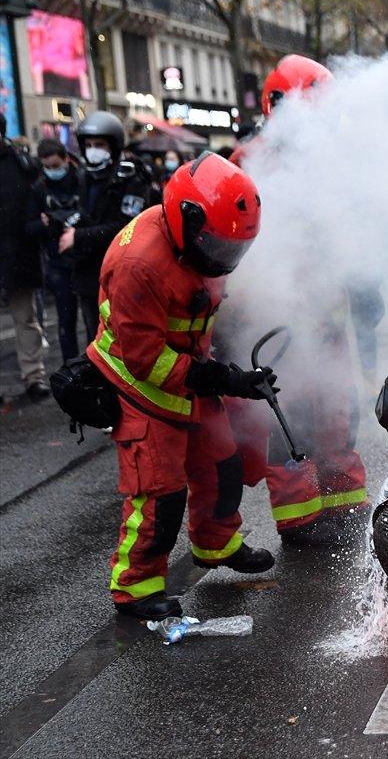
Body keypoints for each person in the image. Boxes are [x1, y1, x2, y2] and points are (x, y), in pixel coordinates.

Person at [88, 152, 277, 619]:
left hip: (187, 365)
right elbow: (146, 358)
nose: (223, 260)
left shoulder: (201, 240)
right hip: (139, 383)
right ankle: (136, 586)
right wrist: (221, 378)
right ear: (184, 219)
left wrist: (232, 370)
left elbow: (206, 310)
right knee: (160, 491)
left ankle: (216, 544)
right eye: (217, 248)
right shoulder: (140, 263)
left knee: (222, 465)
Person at [225, 54, 369, 547]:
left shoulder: (327, 161)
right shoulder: (250, 162)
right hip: (281, 319)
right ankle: (301, 517)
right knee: (292, 423)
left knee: (338, 411)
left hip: (325, 317)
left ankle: (345, 501)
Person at [61, 111, 159, 343]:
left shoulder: (130, 179)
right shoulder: (84, 178)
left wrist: (80, 236)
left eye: (100, 145)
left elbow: (126, 227)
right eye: (89, 144)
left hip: (119, 274)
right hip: (87, 274)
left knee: (121, 339)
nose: (93, 150)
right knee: (94, 339)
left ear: (113, 147)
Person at [0, 112, 50, 400]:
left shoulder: (21, 164)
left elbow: (38, 201)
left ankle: (34, 376)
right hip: (14, 252)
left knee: (26, 319)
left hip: (18, 253)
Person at [29, 139, 84, 362]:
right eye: (47, 167)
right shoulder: (40, 188)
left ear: (66, 160)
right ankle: (71, 367)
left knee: (97, 319)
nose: (52, 171)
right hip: (59, 263)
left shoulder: (82, 180)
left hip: (86, 258)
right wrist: (44, 224)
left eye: (55, 165)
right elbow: (29, 226)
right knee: (66, 320)